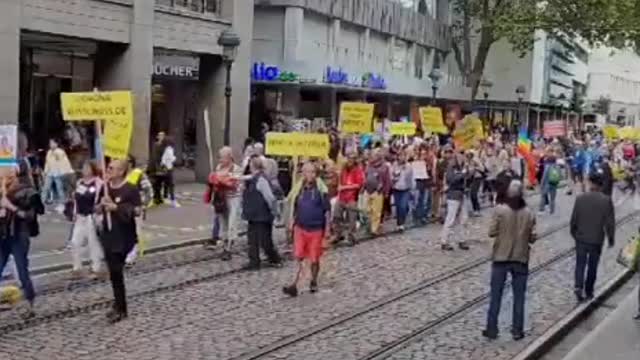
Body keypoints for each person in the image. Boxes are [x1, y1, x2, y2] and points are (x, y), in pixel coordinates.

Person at [483, 180, 537, 341]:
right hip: (520, 257)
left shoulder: (500, 210)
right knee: (519, 296)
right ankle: (517, 330)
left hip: (501, 256)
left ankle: (492, 328)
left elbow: (491, 232)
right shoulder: (529, 213)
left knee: (496, 295)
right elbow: (533, 237)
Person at [98, 159, 141, 323]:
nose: (108, 170)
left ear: (121, 171)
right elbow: (95, 208)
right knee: (113, 273)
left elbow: (137, 211)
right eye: (108, 167)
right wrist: (101, 204)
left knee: (117, 271)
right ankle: (118, 304)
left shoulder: (130, 189)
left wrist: (117, 208)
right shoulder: (105, 188)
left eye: (112, 168)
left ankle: (121, 308)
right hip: (108, 235)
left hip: (123, 237)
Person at [0, 166, 43, 317]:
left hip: (19, 235)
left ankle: (30, 304)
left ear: (13, 178)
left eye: (3, 179)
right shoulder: (2, 193)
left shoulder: (27, 192)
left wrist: (11, 206)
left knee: (22, 270)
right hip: (3, 236)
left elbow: (30, 216)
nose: (2, 182)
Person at [283, 163, 331, 297]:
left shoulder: (321, 190)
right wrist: (291, 223)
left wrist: (327, 229)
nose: (308, 175)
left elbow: (327, 211)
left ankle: (314, 280)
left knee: (314, 258)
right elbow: (294, 206)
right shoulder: (299, 188)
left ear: (315, 174)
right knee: (298, 256)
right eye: (305, 172)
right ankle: (294, 284)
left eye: (311, 172)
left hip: (316, 229)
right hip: (300, 227)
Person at [570, 172, 615, 302]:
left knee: (580, 264)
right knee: (592, 266)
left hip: (581, 238)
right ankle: (589, 291)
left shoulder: (580, 198)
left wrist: (575, 235)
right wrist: (611, 239)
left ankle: (578, 286)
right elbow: (610, 223)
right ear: (601, 185)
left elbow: (573, 221)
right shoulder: (606, 200)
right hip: (596, 239)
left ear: (590, 183)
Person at [241, 157, 282, 270]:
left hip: (262, 216)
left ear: (253, 166)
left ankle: (274, 258)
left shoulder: (261, 180)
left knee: (264, 240)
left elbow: (270, 198)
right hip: (254, 215)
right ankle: (254, 262)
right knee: (253, 240)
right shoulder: (254, 178)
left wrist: (275, 212)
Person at [204, 147, 242, 260]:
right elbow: (214, 182)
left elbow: (234, 184)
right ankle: (225, 243)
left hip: (233, 199)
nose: (220, 160)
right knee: (223, 222)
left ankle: (229, 248)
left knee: (232, 223)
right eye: (219, 157)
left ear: (229, 157)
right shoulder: (218, 167)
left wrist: (219, 180)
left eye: (222, 157)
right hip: (221, 199)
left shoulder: (236, 169)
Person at [70, 161, 104, 278]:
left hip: (91, 216)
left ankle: (96, 267)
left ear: (92, 169)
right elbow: (76, 199)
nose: (84, 170)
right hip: (80, 216)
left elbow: (100, 199)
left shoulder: (98, 183)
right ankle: (77, 266)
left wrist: (99, 212)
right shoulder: (80, 182)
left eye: (87, 167)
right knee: (75, 242)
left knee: (93, 243)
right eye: (83, 167)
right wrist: (74, 212)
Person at [124, 156, 153, 266]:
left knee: (134, 232)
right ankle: (126, 254)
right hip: (123, 210)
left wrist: (143, 205)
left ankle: (131, 257)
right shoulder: (120, 175)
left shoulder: (138, 174)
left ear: (130, 163)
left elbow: (148, 190)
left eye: (125, 162)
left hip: (136, 209)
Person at [333, 150, 364, 246]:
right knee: (336, 216)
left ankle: (351, 236)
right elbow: (340, 180)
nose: (350, 160)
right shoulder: (344, 168)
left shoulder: (358, 170)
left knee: (352, 219)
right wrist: (339, 185)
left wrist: (345, 187)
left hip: (351, 198)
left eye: (352, 158)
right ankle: (338, 234)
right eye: (349, 158)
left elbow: (358, 185)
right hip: (342, 196)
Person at [440, 152, 470, 251]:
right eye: (460, 156)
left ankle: (462, 240)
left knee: (463, 219)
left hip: (462, 194)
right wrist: (462, 174)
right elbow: (451, 179)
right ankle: (444, 241)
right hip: (453, 195)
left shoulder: (463, 168)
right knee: (451, 219)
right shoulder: (450, 168)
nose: (462, 158)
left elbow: (468, 179)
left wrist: (469, 172)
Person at [42, 138, 74, 212]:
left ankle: (62, 205)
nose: (51, 145)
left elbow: (63, 162)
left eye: (52, 143)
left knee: (60, 189)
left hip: (58, 173)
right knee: (45, 188)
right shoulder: (49, 152)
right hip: (50, 173)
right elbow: (47, 163)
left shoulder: (60, 152)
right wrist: (45, 172)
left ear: (56, 144)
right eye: (50, 143)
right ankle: (41, 204)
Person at [364, 149, 391, 235]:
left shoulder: (384, 166)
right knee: (367, 210)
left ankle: (374, 229)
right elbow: (365, 176)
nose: (372, 157)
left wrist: (386, 192)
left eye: (374, 156)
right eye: (372, 156)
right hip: (368, 190)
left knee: (376, 211)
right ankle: (369, 226)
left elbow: (387, 180)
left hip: (378, 191)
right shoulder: (369, 165)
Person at [391, 149, 413, 231]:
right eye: (400, 156)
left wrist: (411, 189)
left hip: (405, 189)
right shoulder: (394, 165)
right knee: (398, 207)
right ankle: (399, 223)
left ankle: (402, 223)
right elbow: (391, 176)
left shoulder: (408, 166)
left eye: (404, 156)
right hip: (396, 188)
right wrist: (395, 176)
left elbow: (411, 178)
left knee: (403, 206)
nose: (402, 157)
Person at [538, 149, 560, 215]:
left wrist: (541, 185)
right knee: (552, 199)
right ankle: (552, 211)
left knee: (543, 196)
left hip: (547, 184)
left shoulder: (547, 166)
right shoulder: (557, 166)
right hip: (554, 184)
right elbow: (560, 176)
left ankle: (541, 210)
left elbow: (544, 177)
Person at [160, 136, 179, 208]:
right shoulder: (169, 150)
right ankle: (173, 200)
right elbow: (172, 159)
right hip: (169, 169)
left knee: (166, 184)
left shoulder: (165, 149)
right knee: (171, 185)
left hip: (165, 168)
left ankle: (165, 197)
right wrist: (175, 158)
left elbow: (163, 160)